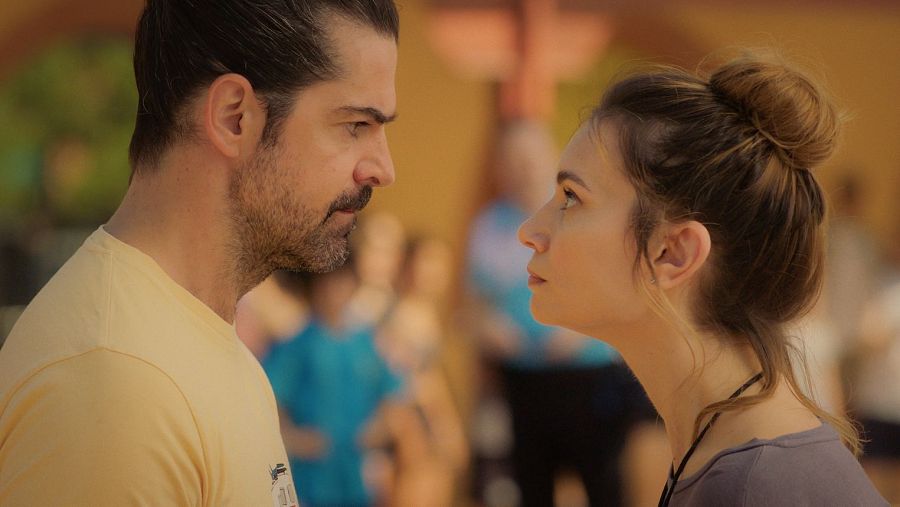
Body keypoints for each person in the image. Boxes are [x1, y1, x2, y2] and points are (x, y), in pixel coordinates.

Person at [0, 0, 398, 504]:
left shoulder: (190, 341)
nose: (383, 169)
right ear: (235, 118)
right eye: (356, 125)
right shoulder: (116, 383)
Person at [517, 54, 887, 505]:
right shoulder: (731, 459)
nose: (530, 231)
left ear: (673, 252)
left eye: (571, 197)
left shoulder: (756, 486)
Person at [467, 120, 651, 507]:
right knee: (532, 487)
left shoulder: (584, 212)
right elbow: (476, 303)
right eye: (512, 158)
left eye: (530, 156)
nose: (523, 167)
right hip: (524, 379)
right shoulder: (488, 225)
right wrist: (489, 328)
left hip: (588, 378)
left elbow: (619, 290)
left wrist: (580, 330)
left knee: (604, 487)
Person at [262, 260, 407, 507]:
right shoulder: (297, 344)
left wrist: (380, 428)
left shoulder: (369, 342)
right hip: (312, 478)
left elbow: (393, 392)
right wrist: (292, 437)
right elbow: (269, 396)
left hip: (358, 474)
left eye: (341, 283)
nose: (334, 291)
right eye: (326, 283)